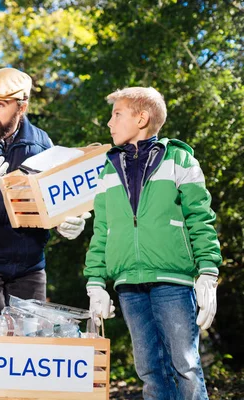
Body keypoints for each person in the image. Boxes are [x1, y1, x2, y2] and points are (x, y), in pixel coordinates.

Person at [84, 87, 221, 399]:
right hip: (128, 284)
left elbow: (200, 218)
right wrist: (95, 282)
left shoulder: (180, 160)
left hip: (172, 280)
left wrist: (208, 271)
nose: (109, 122)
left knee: (185, 365)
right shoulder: (109, 169)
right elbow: (101, 229)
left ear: (141, 118)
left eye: (117, 114)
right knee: (148, 370)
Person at [0, 67, 90, 318]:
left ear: (22, 107)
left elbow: (52, 202)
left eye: (0, 104)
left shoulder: (43, 145)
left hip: (29, 265)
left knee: (30, 341)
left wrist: (63, 221)